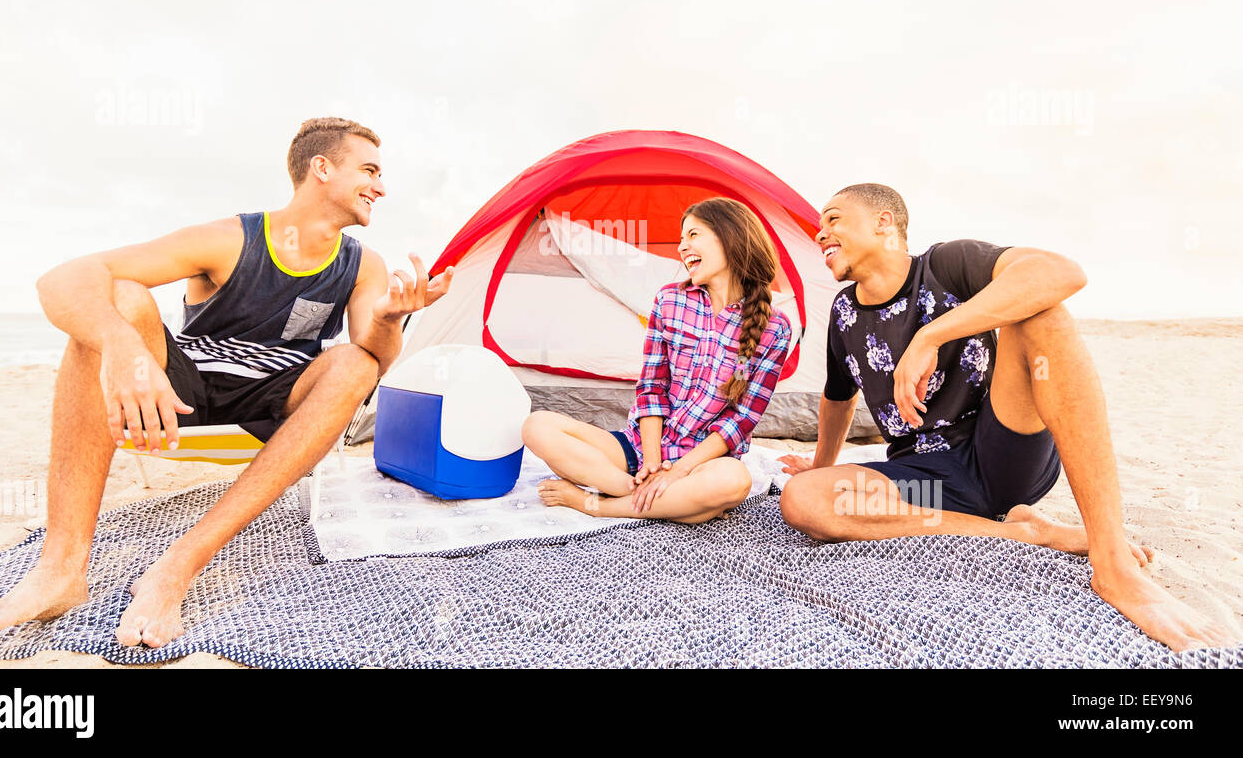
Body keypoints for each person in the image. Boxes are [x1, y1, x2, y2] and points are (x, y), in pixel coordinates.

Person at [0, 117, 452, 649]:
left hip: (278, 401)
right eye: (369, 170)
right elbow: (64, 279)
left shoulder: (363, 265)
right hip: (184, 387)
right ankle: (60, 569)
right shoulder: (230, 239)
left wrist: (387, 321)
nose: (381, 186)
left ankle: (176, 567)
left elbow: (375, 360)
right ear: (322, 168)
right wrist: (122, 345)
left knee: (354, 363)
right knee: (120, 296)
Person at [778, 183, 1238, 652]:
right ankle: (1025, 533)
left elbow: (1060, 273)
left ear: (884, 222)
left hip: (1000, 448)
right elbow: (839, 398)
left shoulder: (946, 266)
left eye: (833, 219)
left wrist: (929, 338)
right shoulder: (843, 313)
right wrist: (822, 464)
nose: (820, 233)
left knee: (1041, 314)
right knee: (804, 499)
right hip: (925, 483)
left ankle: (1112, 559)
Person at [523, 197, 792, 522]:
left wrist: (678, 471)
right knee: (537, 426)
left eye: (693, 235)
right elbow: (652, 389)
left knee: (733, 481)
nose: (682, 247)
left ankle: (598, 504)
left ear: (730, 236)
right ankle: (649, 496)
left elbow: (742, 420)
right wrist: (652, 465)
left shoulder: (775, 328)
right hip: (639, 449)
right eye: (681, 239)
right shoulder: (670, 301)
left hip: (699, 463)